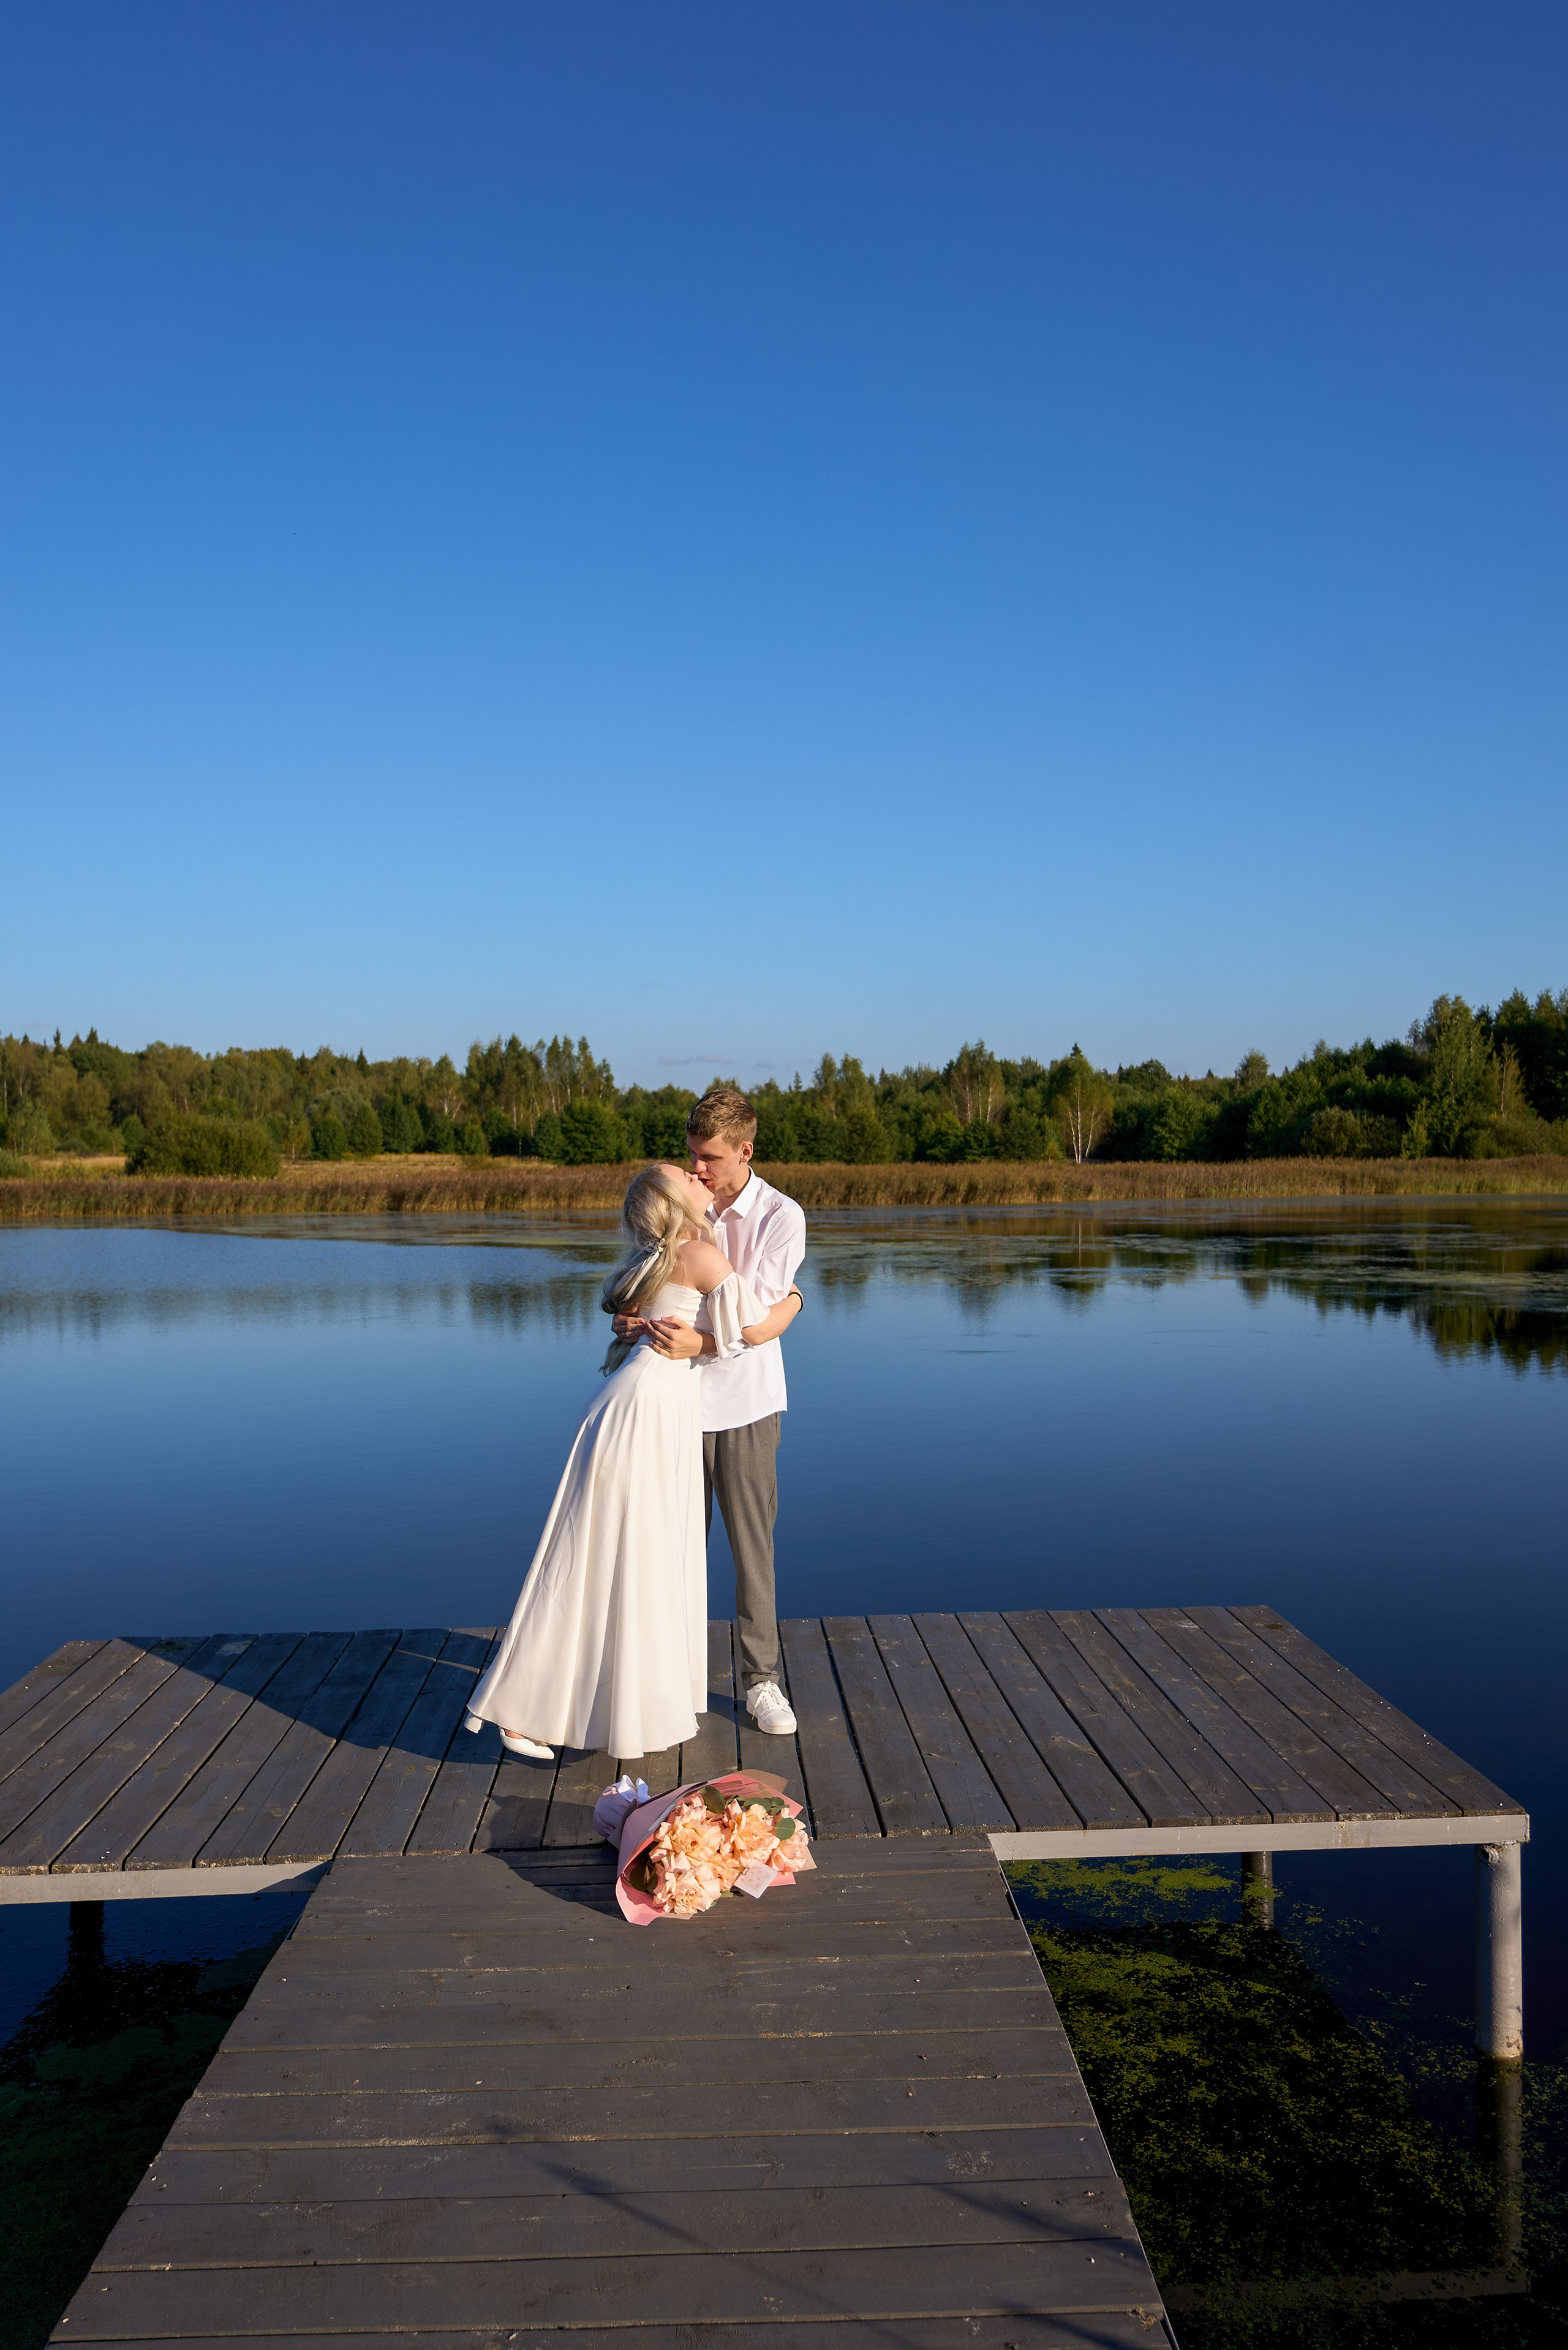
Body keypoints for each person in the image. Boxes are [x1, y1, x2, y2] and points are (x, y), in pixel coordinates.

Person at [464, 1162, 802, 1761]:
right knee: (610, 1556)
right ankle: (525, 1711)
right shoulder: (697, 1254)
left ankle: (590, 1700)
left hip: (632, 1406)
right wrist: (797, 1300)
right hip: (646, 1413)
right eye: (689, 1178)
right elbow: (752, 1329)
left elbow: (629, 1316)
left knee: (604, 1555)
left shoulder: (652, 1259)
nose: (701, 1179)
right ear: (678, 1201)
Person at [620, 1088, 806, 1737]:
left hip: (746, 1406)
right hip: (670, 1408)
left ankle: (761, 1684)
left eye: (711, 1158)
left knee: (752, 1551)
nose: (698, 1169)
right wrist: (631, 1318)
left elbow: (754, 1321)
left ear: (745, 1151)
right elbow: (646, 1281)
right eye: (693, 1156)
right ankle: (668, 1678)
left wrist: (705, 1341)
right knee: (671, 1550)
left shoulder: (780, 1217)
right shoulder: (681, 1206)